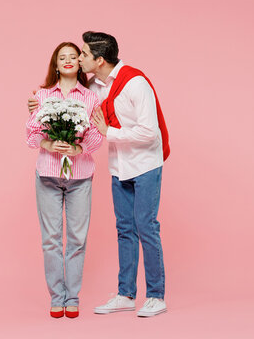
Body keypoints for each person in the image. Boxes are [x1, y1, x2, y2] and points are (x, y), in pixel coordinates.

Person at [28, 31, 170, 317]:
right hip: (119, 167)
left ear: (99, 60)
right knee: (125, 230)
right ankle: (126, 293)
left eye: (82, 55)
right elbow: (56, 104)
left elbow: (149, 132)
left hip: (144, 165)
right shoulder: (98, 84)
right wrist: (36, 109)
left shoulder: (134, 83)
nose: (78, 59)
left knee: (146, 227)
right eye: (73, 55)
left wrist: (105, 134)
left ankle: (155, 295)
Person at [26, 42, 103, 319]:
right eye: (63, 57)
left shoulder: (91, 97)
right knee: (51, 240)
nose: (69, 60)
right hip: (48, 174)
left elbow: (96, 135)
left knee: (77, 239)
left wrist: (77, 148)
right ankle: (57, 297)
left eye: (73, 56)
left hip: (80, 176)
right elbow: (31, 134)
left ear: (79, 63)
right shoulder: (43, 96)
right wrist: (48, 143)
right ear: (55, 64)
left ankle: (73, 297)